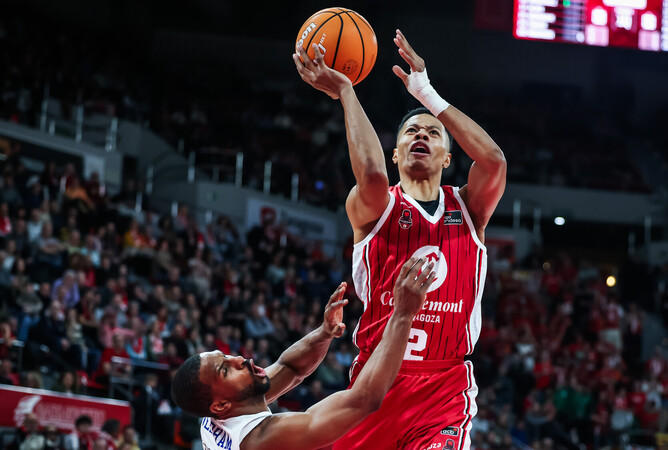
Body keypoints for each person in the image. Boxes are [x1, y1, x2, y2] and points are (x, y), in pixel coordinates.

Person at [294, 28, 506, 449]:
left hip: (444, 387)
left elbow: (494, 160)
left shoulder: (470, 209)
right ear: (396, 152)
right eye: (411, 132)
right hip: (374, 386)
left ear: (448, 156)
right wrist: (346, 94)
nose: (421, 136)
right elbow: (371, 173)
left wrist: (427, 95)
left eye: (432, 133)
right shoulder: (376, 205)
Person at [171, 257, 435, 450]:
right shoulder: (261, 440)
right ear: (220, 406)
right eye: (226, 369)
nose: (239, 359)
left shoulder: (216, 412)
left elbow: (291, 368)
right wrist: (403, 314)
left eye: (226, 356)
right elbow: (364, 399)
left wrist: (324, 333)